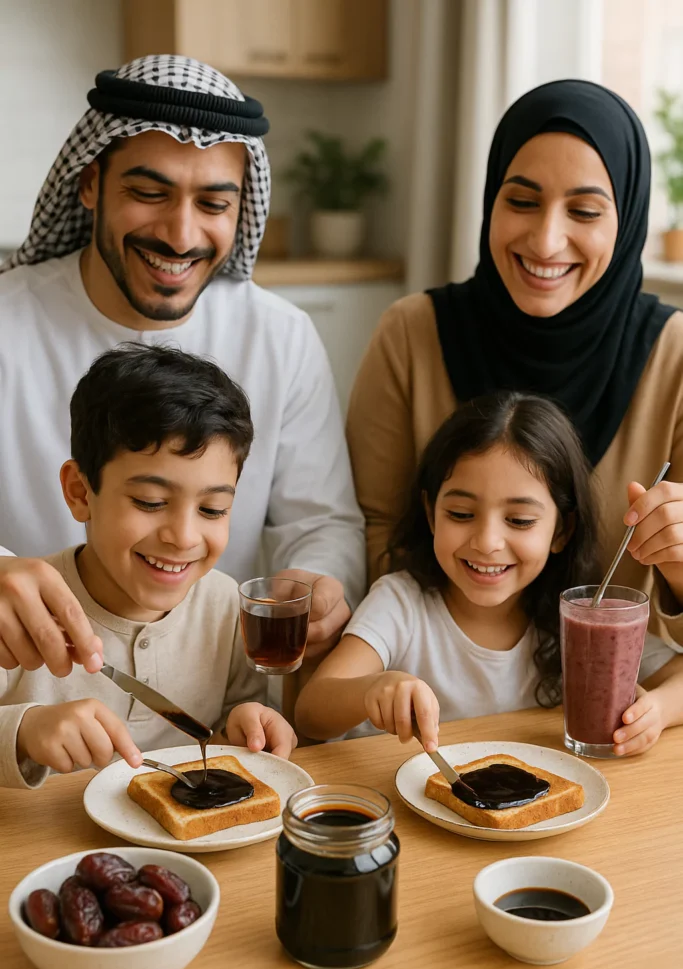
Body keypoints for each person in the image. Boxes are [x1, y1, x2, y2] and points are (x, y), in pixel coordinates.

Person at [0, 54, 364, 679]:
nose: (180, 233)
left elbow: (321, 519)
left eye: (214, 204)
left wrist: (319, 581)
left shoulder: (281, 337)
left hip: (207, 684)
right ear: (89, 184)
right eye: (148, 193)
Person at [346, 79, 683, 648]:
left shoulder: (674, 357)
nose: (547, 241)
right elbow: (371, 536)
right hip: (437, 699)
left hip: (615, 713)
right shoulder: (411, 333)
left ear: (625, 223)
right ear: (489, 202)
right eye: (522, 201)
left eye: (584, 211)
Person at [298, 393, 683, 755]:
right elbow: (311, 710)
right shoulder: (401, 602)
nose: (487, 542)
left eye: (519, 520)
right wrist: (372, 690)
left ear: (561, 531)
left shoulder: (580, 617)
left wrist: (660, 710)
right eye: (461, 515)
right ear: (431, 513)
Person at [0, 343, 297, 789]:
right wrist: (24, 733)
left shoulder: (224, 605)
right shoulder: (19, 602)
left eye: (213, 509)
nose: (183, 536)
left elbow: (225, 730)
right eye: (150, 502)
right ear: (81, 492)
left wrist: (243, 727)